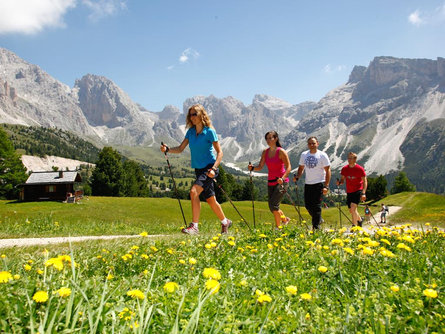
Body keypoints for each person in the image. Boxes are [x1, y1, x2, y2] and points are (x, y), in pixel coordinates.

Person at [160, 104, 232, 235]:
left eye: (195, 114)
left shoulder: (209, 131)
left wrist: (214, 169)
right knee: (210, 200)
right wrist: (168, 149)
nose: (192, 117)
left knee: (194, 192)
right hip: (198, 170)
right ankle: (225, 222)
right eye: (190, 115)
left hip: (209, 169)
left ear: (201, 115)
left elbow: (220, 153)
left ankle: (194, 227)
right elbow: (181, 149)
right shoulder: (191, 132)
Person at [248, 131, 291, 229]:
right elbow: (260, 166)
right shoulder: (265, 152)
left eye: (270, 138)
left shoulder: (281, 151)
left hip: (281, 182)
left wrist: (282, 178)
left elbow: (289, 167)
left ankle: (278, 227)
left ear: (276, 139)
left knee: (274, 206)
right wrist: (253, 168)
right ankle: (285, 220)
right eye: (267, 138)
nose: (268, 140)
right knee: (272, 207)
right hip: (270, 182)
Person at [294, 136, 331, 230]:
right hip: (308, 184)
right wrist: (298, 176)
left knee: (316, 206)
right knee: (307, 205)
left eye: (313, 143)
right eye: (310, 143)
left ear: (317, 144)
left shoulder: (322, 155)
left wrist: (326, 186)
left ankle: (316, 228)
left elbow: (328, 171)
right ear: (307, 145)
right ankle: (319, 219)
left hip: (319, 183)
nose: (312, 145)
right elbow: (301, 168)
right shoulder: (304, 154)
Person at [337, 152, 367, 227]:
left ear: (355, 159)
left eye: (351, 158)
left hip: (358, 190)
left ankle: (354, 226)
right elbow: (342, 180)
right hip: (349, 191)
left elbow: (365, 181)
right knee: (352, 210)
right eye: (348, 158)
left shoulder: (360, 169)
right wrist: (339, 182)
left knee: (353, 208)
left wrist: (363, 193)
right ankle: (360, 220)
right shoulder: (345, 169)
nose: (349, 159)